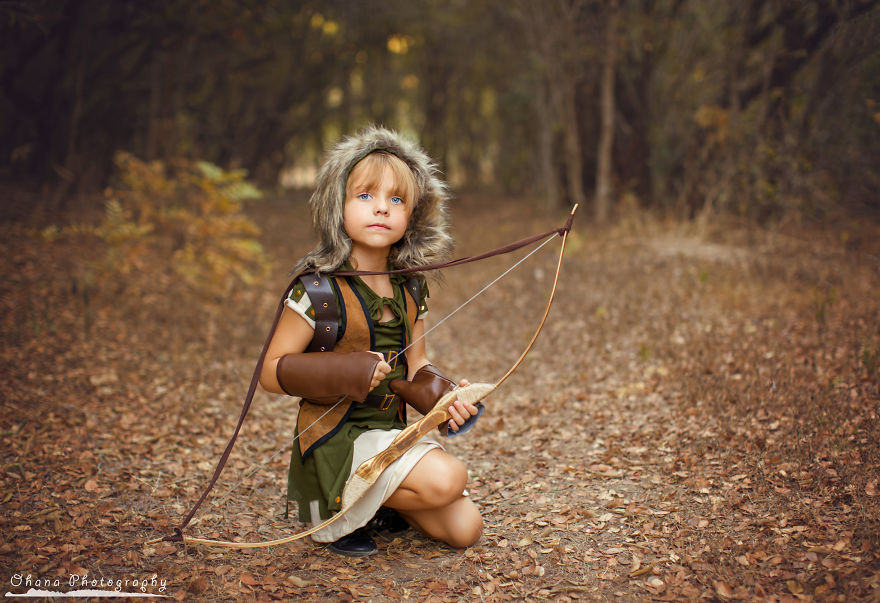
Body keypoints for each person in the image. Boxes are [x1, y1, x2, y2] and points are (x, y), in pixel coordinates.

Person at [259, 125, 484, 556]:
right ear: (336, 205)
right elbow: (270, 372)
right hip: (335, 438)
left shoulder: (410, 287)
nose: (381, 209)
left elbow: (416, 365)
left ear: (413, 215)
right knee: (449, 479)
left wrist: (446, 396)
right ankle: (336, 505)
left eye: (396, 199)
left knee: (465, 528)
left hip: (390, 431)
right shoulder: (318, 291)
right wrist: (345, 370)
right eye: (364, 196)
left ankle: (376, 500)